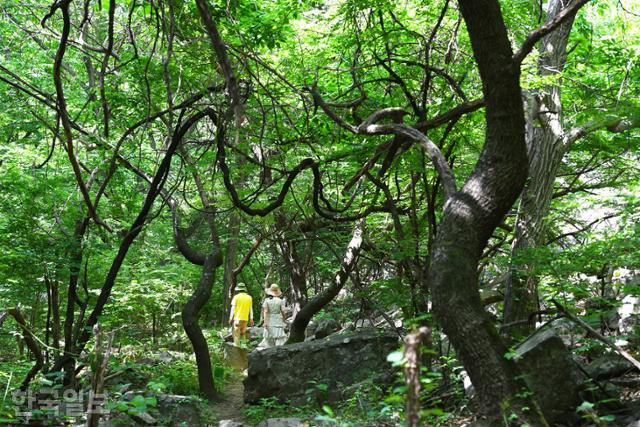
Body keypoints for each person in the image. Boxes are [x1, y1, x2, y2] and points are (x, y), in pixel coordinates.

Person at [261, 284, 287, 348]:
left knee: (269, 339)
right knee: (280, 338)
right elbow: (283, 311)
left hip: (269, 321)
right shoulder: (280, 301)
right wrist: (284, 319)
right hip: (278, 320)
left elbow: (265, 311)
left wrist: (265, 322)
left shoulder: (267, 300)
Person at [229, 282, 253, 347]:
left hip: (237, 319)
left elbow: (233, 308)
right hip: (245, 319)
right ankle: (243, 349)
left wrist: (230, 318)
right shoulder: (249, 297)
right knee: (243, 334)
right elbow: (251, 309)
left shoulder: (236, 297)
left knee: (237, 335)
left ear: (238, 290)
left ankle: (237, 350)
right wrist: (251, 318)